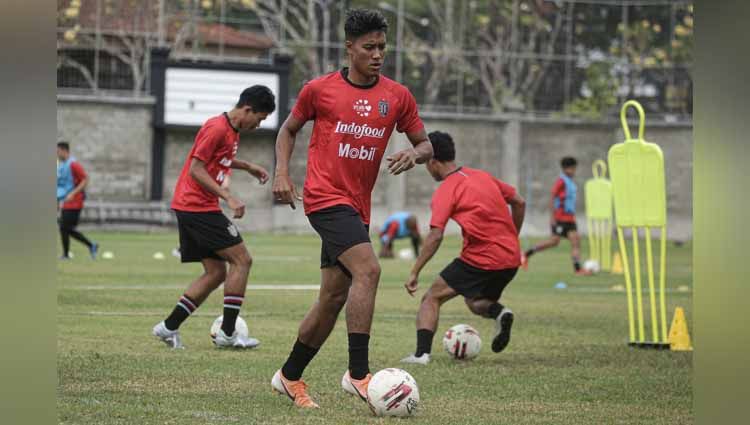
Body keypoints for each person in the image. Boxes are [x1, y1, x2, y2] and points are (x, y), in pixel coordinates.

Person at [270, 8, 433, 409]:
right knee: (370, 269)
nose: (377, 54)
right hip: (325, 198)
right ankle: (358, 374)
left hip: (358, 207)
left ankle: (289, 376)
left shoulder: (397, 96)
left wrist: (414, 154)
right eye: (369, 47)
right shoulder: (319, 90)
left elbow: (427, 145)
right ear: (349, 48)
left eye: (382, 47)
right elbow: (288, 129)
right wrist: (282, 174)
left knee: (332, 297)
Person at [152, 85, 275, 349]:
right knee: (242, 260)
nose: (258, 124)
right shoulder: (217, 128)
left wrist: (248, 166)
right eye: (260, 118)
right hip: (198, 206)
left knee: (216, 272)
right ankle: (227, 334)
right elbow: (196, 168)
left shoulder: (230, 130)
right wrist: (228, 196)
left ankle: (168, 328)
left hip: (191, 206)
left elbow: (219, 159)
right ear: (247, 109)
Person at [399, 131, 526, 365]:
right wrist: (512, 236)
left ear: (433, 162)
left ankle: (421, 355)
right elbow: (519, 201)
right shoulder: (483, 176)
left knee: (431, 298)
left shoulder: (448, 189)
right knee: (474, 301)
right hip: (510, 258)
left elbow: (435, 235)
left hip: (481, 258)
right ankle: (500, 313)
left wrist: (415, 271)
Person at [521, 156, 591, 275]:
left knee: (575, 241)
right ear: (566, 169)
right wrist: (552, 217)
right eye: (573, 169)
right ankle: (526, 254)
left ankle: (578, 269)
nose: (574, 171)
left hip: (570, 218)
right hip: (560, 219)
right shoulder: (561, 181)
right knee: (554, 241)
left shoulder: (570, 182)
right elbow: (553, 197)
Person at [56, 141, 98, 260]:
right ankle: (66, 254)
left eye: (58, 151)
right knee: (64, 228)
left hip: (75, 202)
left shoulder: (73, 164)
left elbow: (85, 179)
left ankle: (91, 245)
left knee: (66, 227)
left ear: (64, 151)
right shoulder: (62, 165)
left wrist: (73, 193)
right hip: (66, 202)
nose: (57, 154)